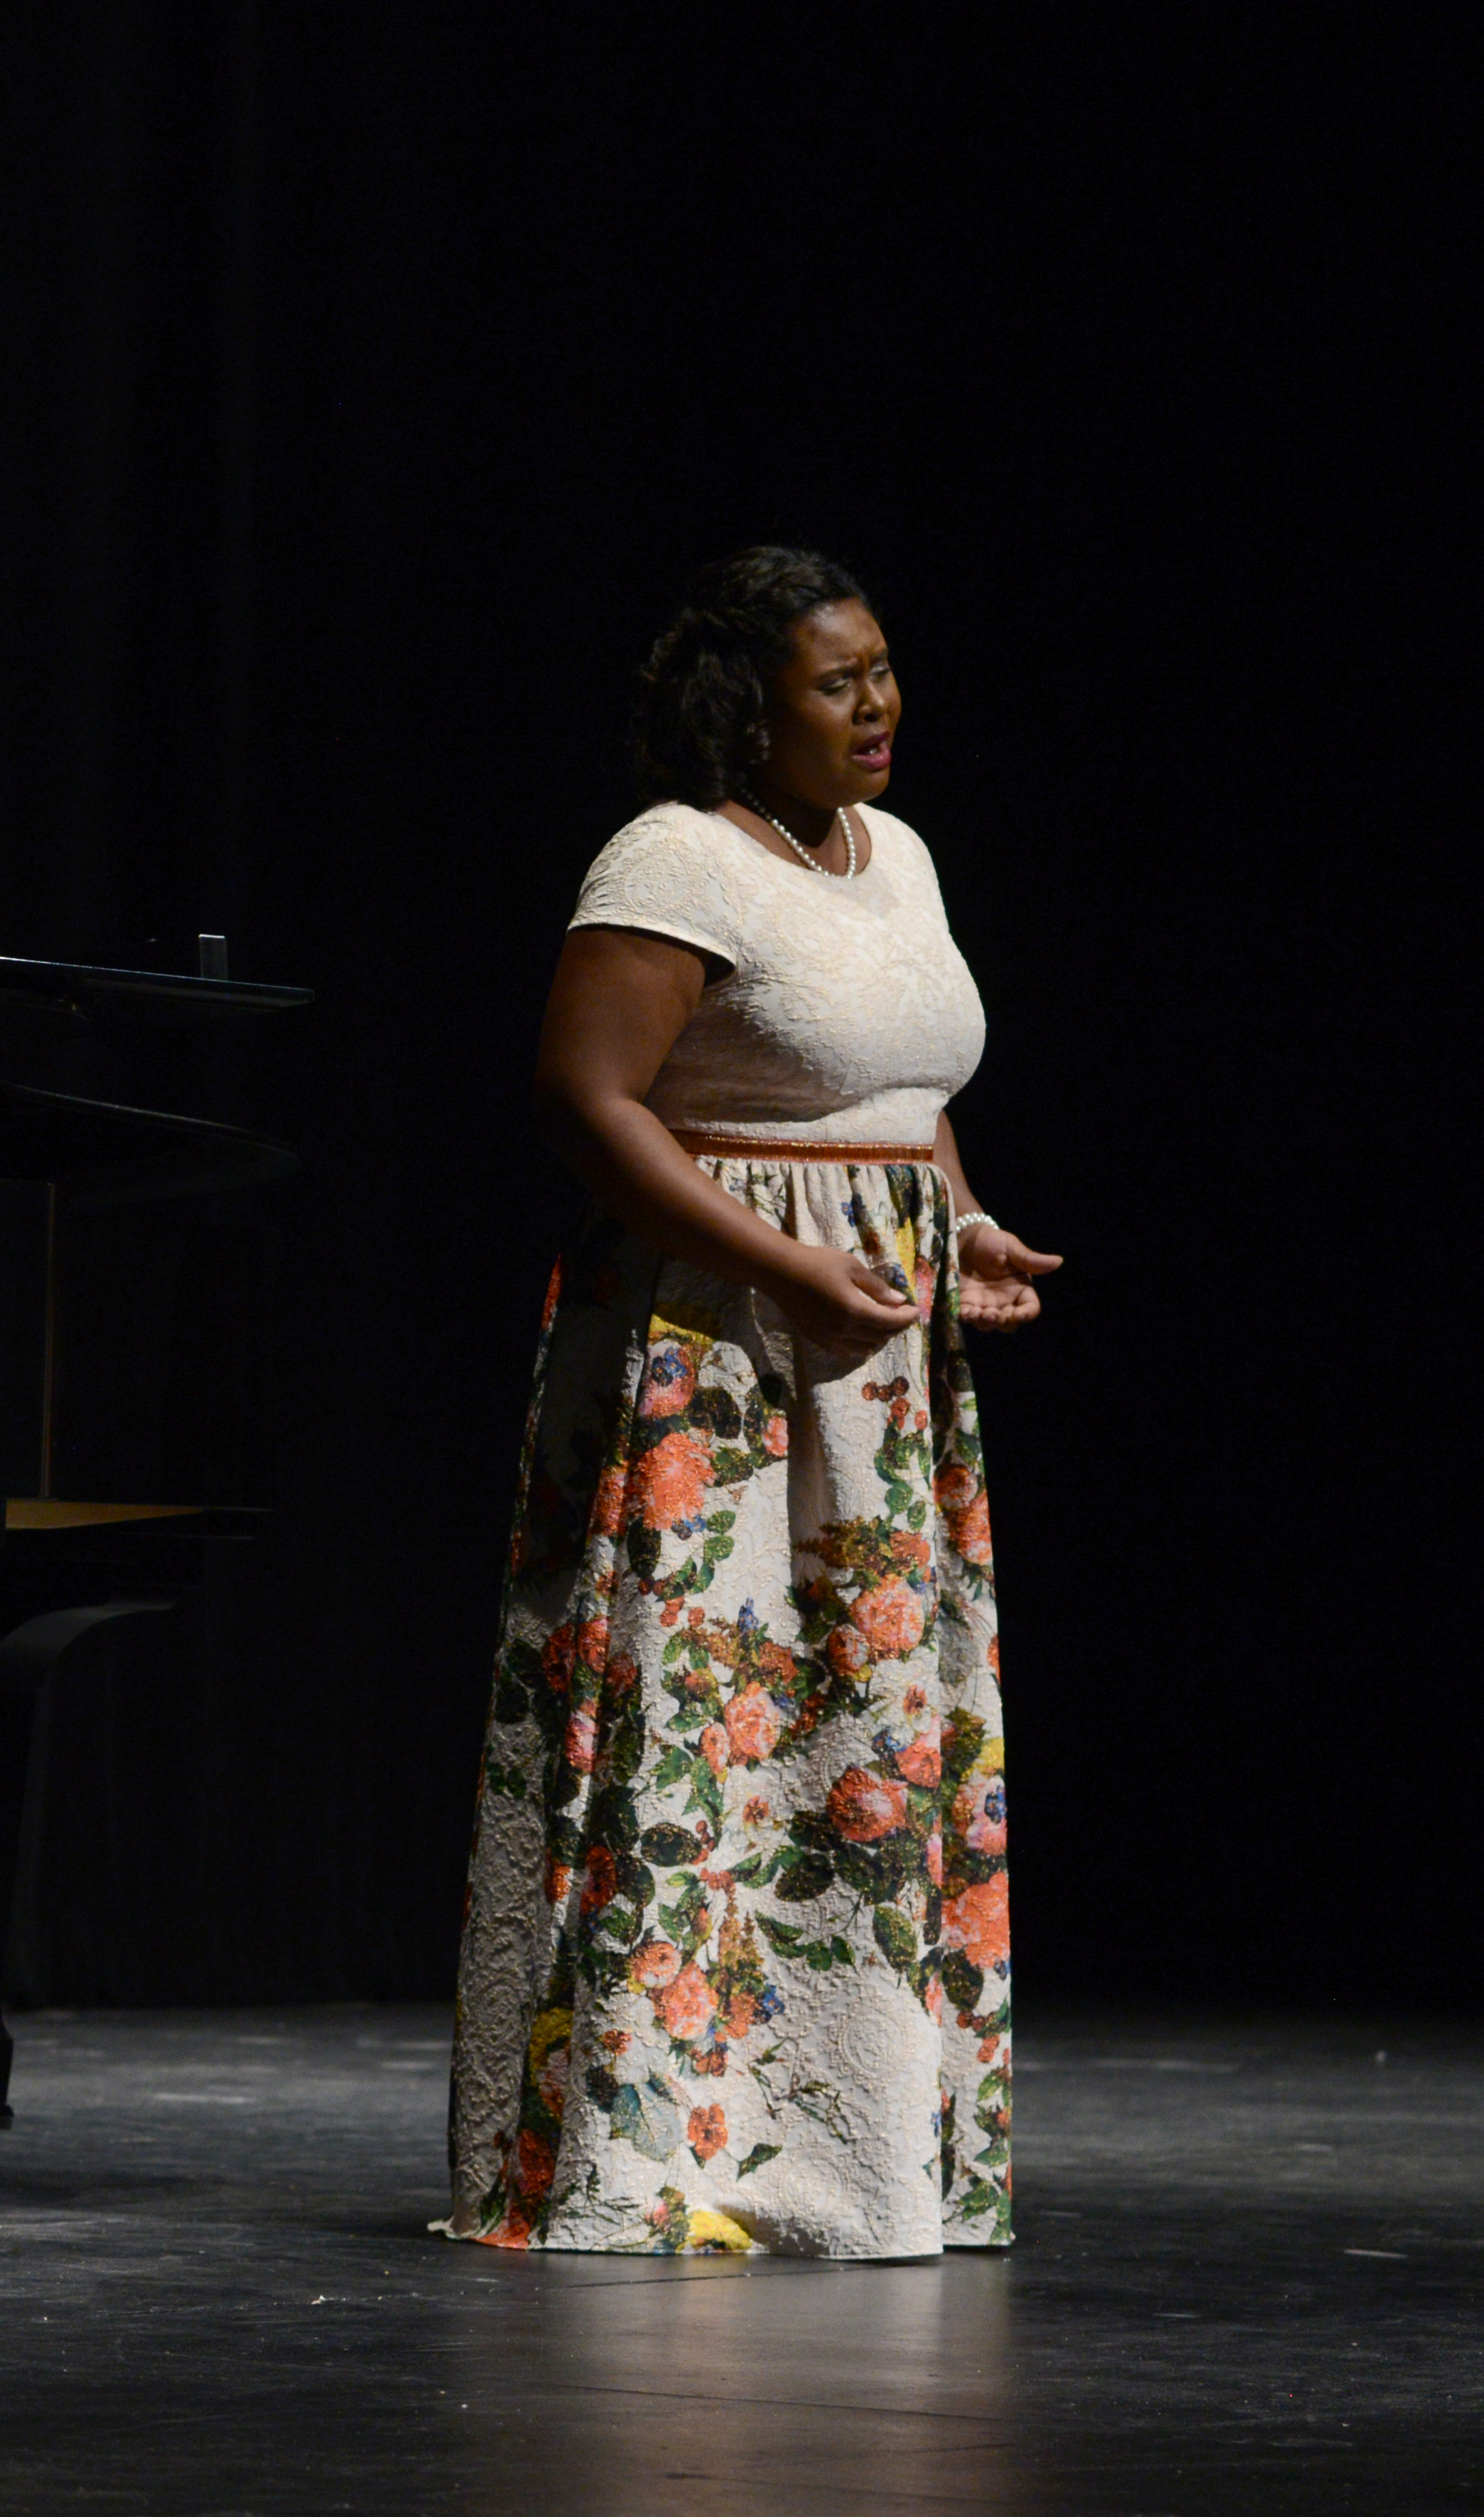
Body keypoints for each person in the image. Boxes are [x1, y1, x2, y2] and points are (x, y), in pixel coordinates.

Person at [445, 550, 1061, 2260]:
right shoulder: (671, 858)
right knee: (703, 1724)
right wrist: (783, 1272)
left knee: (858, 1738)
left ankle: (856, 2149)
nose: (876, 706)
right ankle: (661, 2147)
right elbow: (587, 1101)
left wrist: (964, 1225)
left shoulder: (899, 856)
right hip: (708, 1353)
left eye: (881, 671)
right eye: (834, 680)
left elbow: (898, 1085)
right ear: (746, 702)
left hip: (872, 1357)